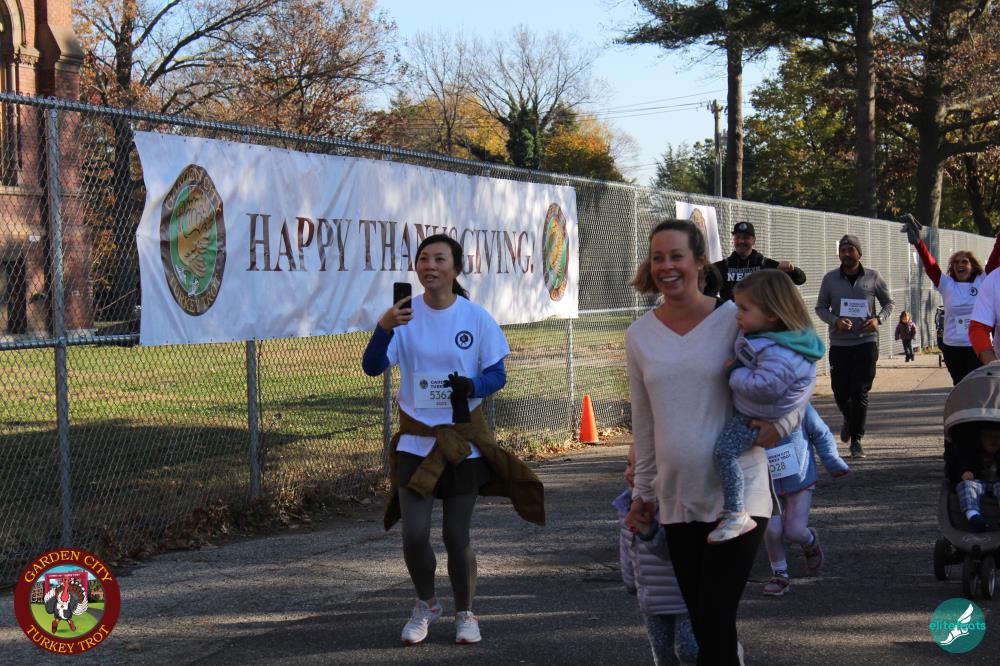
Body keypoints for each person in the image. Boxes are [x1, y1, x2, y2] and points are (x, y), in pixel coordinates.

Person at [361, 233, 545, 646]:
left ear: (456, 268)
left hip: (463, 444)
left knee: (456, 536)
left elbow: (497, 375)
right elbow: (372, 367)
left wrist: (472, 385)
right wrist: (384, 326)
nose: (430, 266)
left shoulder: (475, 318)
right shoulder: (403, 317)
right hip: (417, 442)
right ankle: (426, 604)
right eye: (423, 258)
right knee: (413, 534)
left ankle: (466, 613)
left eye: (440, 259)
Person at [625, 219, 794, 665]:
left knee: (715, 618)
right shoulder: (639, 335)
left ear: (701, 261)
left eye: (676, 256)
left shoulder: (735, 319)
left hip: (738, 497)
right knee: (703, 624)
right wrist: (643, 494)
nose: (666, 266)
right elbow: (644, 425)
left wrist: (781, 426)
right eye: (657, 258)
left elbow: (792, 376)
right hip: (677, 498)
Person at [709, 270, 824, 543]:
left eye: (744, 309)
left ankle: (735, 510)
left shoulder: (777, 351)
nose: (737, 315)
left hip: (755, 417)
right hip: (759, 413)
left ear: (772, 314)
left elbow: (764, 387)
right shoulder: (773, 338)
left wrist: (734, 372)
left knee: (725, 452)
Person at [614, 445, 698, 665]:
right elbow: (627, 547)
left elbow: (672, 551)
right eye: (628, 464)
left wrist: (649, 532)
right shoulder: (625, 506)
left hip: (684, 597)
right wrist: (630, 581)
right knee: (663, 654)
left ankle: (727, 651)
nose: (629, 472)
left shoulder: (674, 507)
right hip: (651, 597)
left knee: (688, 649)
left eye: (638, 467)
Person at [814, 234, 894, 459]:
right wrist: (835, 321)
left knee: (859, 391)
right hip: (840, 344)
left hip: (866, 343)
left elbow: (888, 303)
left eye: (851, 250)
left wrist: (878, 320)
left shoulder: (873, 277)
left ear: (859, 253)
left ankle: (857, 440)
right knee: (840, 392)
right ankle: (850, 419)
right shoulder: (830, 279)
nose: (847, 254)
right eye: (843, 250)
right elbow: (820, 308)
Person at [761, 404, 850, 596]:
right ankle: (780, 574)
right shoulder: (748, 408)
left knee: (794, 531)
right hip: (765, 482)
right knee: (771, 530)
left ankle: (810, 542)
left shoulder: (800, 405)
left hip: (799, 479)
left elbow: (821, 433)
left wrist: (833, 462)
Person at [902, 214, 1000, 382]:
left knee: (976, 385)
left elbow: (994, 259)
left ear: (972, 266)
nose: (960, 265)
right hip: (953, 347)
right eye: (956, 262)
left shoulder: (983, 280)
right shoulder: (946, 284)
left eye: (964, 262)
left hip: (977, 347)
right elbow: (931, 266)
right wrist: (918, 243)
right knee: (960, 385)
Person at [704, 221, 806, 302]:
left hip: (758, 318)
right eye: (738, 237)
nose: (741, 241)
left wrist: (792, 270)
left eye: (746, 238)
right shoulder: (723, 266)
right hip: (730, 318)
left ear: (754, 240)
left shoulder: (764, 265)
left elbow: (801, 279)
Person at [948, 423, 1000, 532]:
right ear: (980, 438)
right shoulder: (970, 453)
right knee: (967, 485)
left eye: (997, 437)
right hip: (977, 483)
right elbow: (956, 465)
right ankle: (973, 516)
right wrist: (964, 471)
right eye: (988, 436)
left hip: (997, 484)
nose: (993, 440)